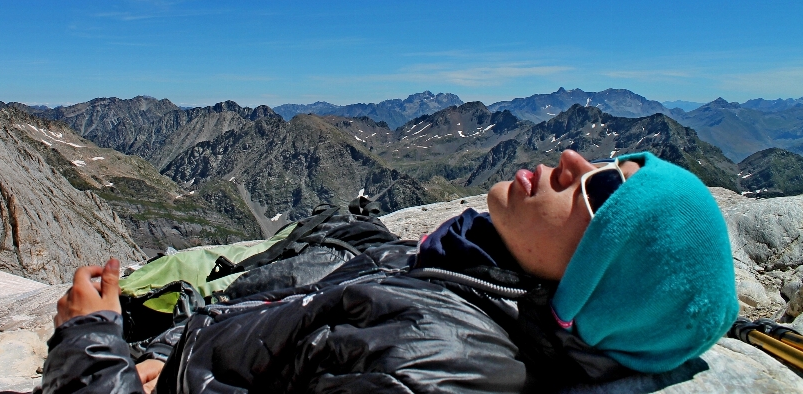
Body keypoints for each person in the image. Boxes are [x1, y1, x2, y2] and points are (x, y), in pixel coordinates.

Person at [40, 150, 739, 393]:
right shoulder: (464, 284)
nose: (570, 163)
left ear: (597, 285)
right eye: (613, 161)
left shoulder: (434, 363)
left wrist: (89, 345)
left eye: (602, 194)